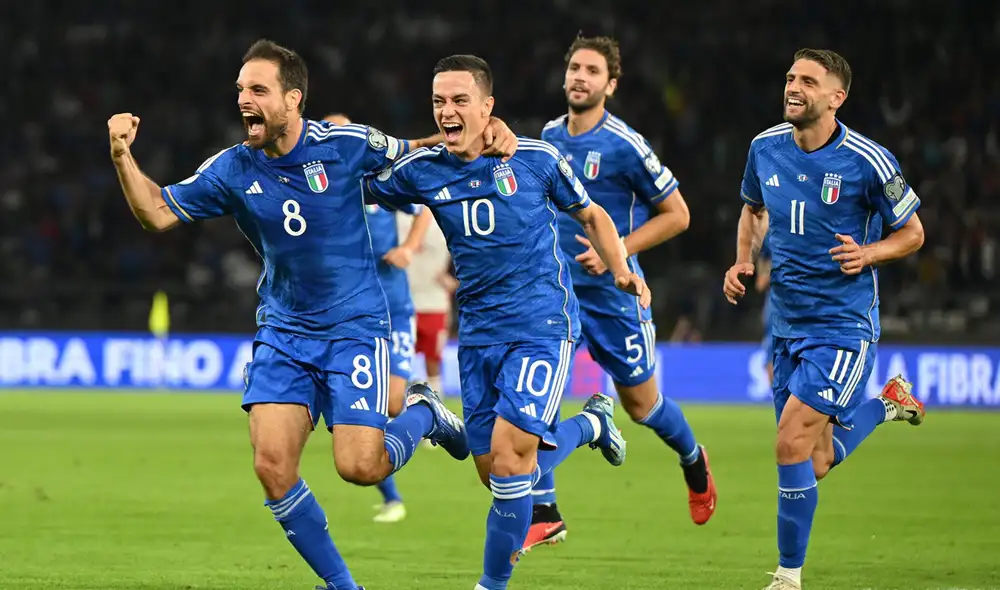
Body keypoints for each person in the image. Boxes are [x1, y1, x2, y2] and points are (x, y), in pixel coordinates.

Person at [107, 39, 516, 590]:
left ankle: (424, 412)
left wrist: (492, 131)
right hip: (283, 332)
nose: (244, 101)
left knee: (360, 468)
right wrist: (121, 156)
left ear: (293, 99)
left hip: (353, 330)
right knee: (272, 467)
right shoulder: (232, 168)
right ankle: (345, 587)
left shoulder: (346, 146)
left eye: (258, 90)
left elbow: (424, 148)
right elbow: (157, 212)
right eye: (240, 91)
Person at [365, 54, 645, 590]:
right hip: (478, 335)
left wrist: (622, 268)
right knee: (495, 472)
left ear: (488, 106)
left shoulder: (536, 158)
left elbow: (593, 215)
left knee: (515, 460)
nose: (448, 111)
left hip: (542, 325)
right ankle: (590, 424)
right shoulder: (424, 171)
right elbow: (360, 182)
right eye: (439, 102)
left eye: (460, 101)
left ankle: (490, 585)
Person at [722, 48, 928, 590]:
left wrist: (869, 253)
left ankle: (788, 577)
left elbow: (913, 233)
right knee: (812, 462)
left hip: (842, 326)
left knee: (789, 441)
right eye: (791, 77)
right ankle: (886, 404)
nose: (794, 87)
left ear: (836, 98)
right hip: (786, 324)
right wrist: (744, 258)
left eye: (809, 82)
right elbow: (752, 209)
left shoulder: (868, 161)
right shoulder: (764, 148)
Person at [527, 34, 717, 550]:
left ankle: (693, 459)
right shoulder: (547, 135)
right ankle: (544, 510)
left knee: (643, 405)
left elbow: (678, 215)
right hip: (557, 292)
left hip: (613, 295)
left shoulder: (625, 144)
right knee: (536, 401)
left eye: (591, 70)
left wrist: (618, 252)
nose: (579, 77)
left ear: (610, 84)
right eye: (574, 68)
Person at [324, 113, 430, 524]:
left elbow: (423, 207)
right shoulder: (324, 192)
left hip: (394, 309)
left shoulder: (375, 180)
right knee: (347, 414)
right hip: (348, 317)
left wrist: (409, 249)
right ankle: (392, 497)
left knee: (390, 402)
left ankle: (426, 414)